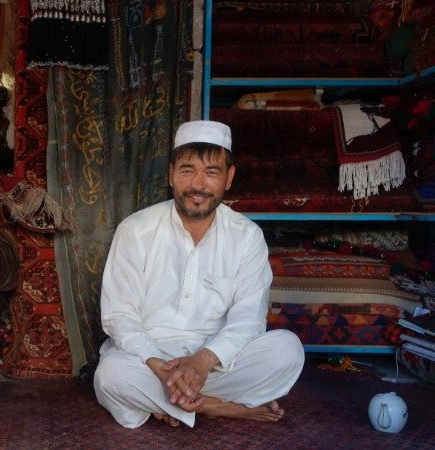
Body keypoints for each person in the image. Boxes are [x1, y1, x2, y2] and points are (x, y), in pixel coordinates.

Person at [93, 120, 305, 429]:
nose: (198, 185)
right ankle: (214, 408)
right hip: (150, 361)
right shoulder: (136, 230)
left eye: (212, 172)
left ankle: (174, 404)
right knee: (111, 375)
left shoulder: (247, 236)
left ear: (229, 178)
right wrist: (161, 368)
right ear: (171, 174)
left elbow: (248, 319)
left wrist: (203, 360)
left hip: (215, 362)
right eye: (187, 170)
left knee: (287, 351)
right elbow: (119, 315)